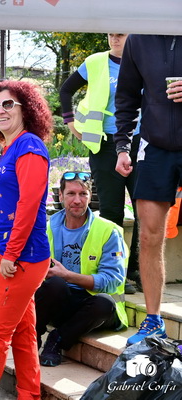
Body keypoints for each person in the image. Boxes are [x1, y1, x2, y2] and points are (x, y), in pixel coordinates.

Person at [0, 80, 52, 400]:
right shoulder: (9, 146)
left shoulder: (29, 146)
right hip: (6, 253)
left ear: (26, 108)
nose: (0, 110)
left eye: (8, 104)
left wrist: (11, 254)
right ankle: (29, 394)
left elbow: (28, 205)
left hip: (21, 258)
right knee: (23, 331)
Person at [114, 34, 182, 346]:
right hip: (156, 147)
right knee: (149, 235)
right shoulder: (139, 37)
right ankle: (153, 321)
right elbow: (127, 96)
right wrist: (122, 146)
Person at [60, 33, 140, 295]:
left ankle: (136, 269)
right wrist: (70, 122)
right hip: (105, 145)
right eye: (110, 34)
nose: (114, 39)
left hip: (141, 143)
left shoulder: (144, 60)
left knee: (144, 210)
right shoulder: (95, 62)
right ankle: (115, 272)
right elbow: (66, 90)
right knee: (111, 211)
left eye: (120, 34)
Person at [35, 171, 128, 367]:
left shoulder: (108, 231)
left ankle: (57, 340)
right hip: (62, 301)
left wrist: (68, 276)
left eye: (83, 194)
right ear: (60, 196)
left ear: (90, 196)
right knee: (55, 284)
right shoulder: (48, 228)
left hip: (92, 307)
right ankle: (31, 337)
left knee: (104, 303)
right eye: (71, 194)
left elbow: (112, 281)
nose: (77, 200)